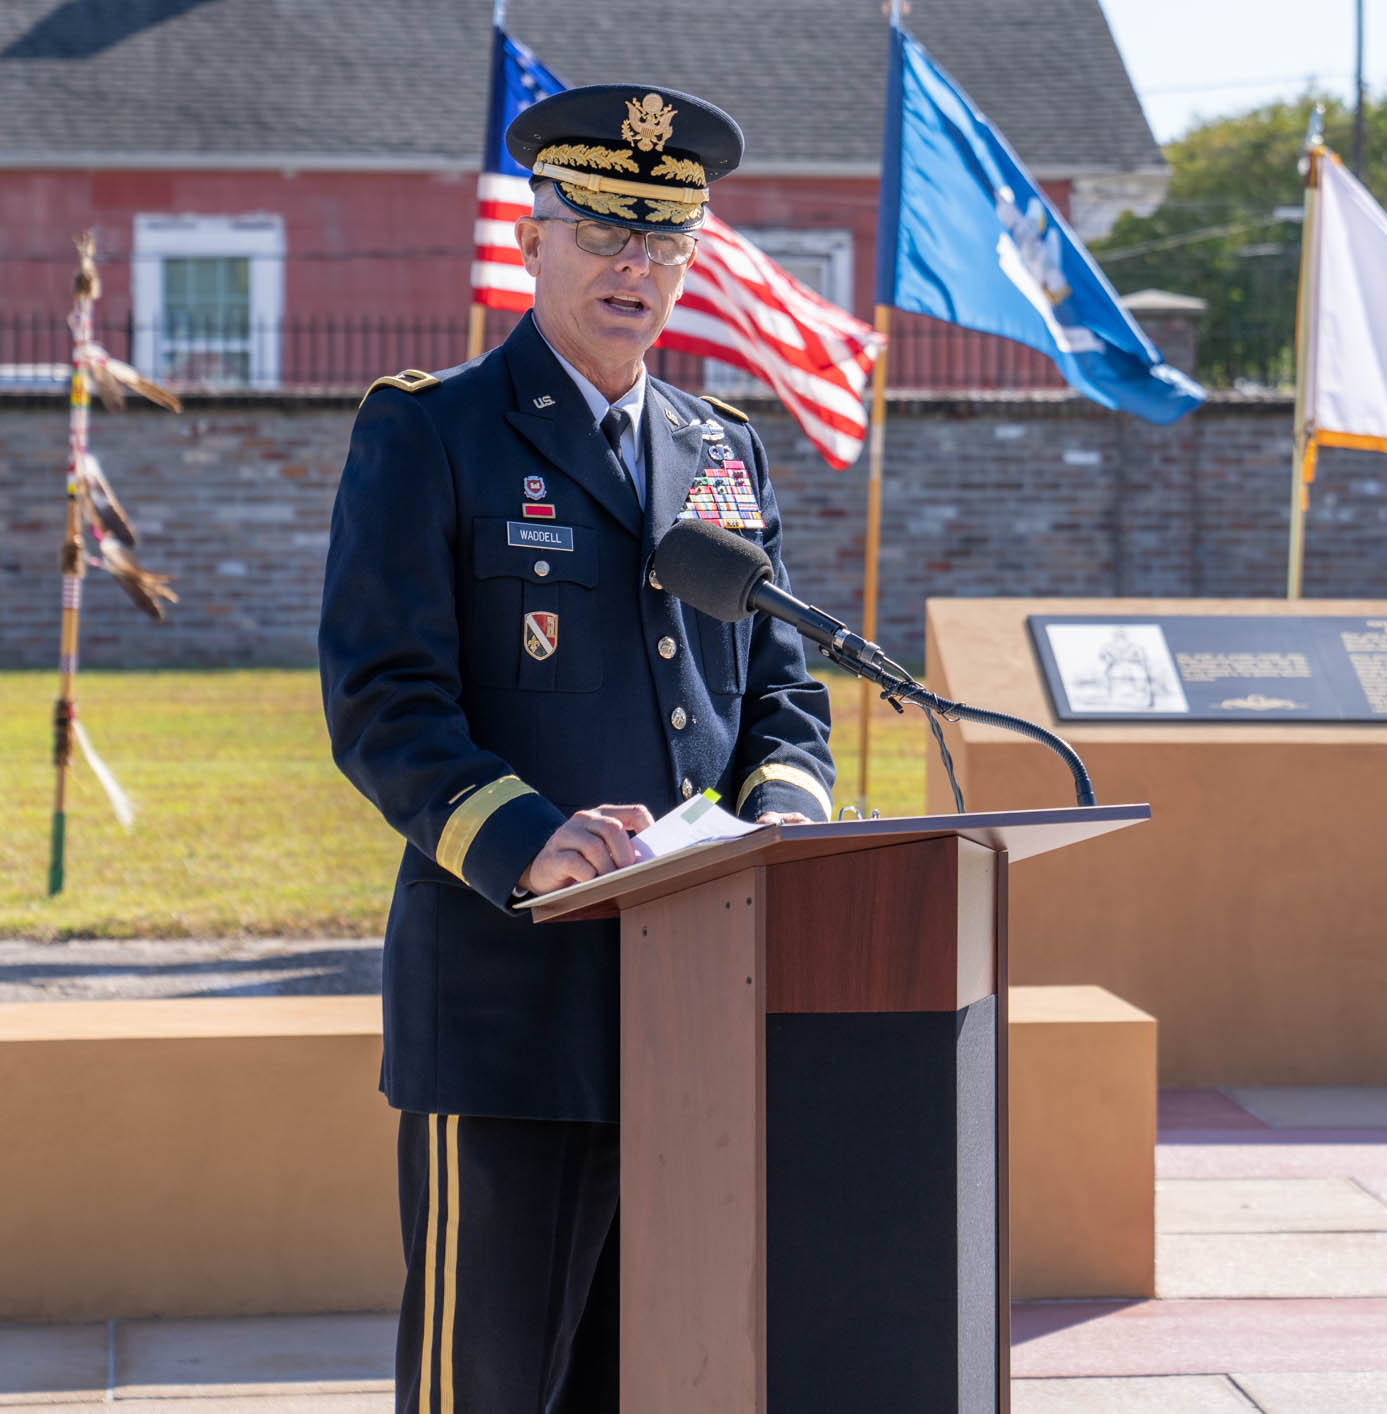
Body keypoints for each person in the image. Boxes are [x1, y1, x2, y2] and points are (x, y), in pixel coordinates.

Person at [318, 82, 834, 1414]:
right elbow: (382, 695)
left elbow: (777, 683)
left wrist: (783, 807)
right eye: (603, 230)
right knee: (482, 1384)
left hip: (695, 1005)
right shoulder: (432, 432)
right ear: (532, 239)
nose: (635, 269)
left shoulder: (719, 451)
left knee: (656, 1377)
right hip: (507, 998)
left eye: (665, 242)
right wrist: (520, 834)